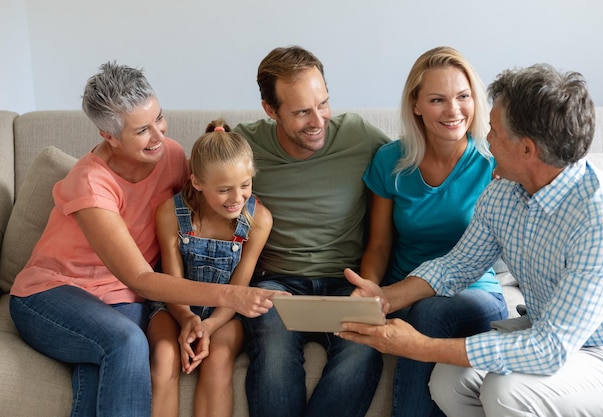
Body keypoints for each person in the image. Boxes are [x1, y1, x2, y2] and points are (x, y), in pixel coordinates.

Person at [339, 63, 603, 417]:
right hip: (544, 331)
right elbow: (456, 265)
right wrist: (385, 297)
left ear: (527, 149)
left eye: (494, 131)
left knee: (507, 391)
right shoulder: (504, 189)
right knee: (448, 382)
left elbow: (550, 349)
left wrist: (422, 346)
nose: (485, 139)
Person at [8, 62, 281, 417]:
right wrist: (231, 294)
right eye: (142, 131)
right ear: (109, 135)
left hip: (121, 300)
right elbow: (140, 278)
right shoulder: (90, 183)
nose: (158, 135)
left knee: (104, 367)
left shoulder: (169, 155)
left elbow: (208, 200)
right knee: (125, 342)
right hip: (52, 293)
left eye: (159, 119)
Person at [233, 46, 390, 417]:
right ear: (270, 111)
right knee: (272, 351)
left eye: (323, 103)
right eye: (302, 111)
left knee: (364, 349)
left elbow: (417, 163)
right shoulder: (245, 146)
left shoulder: (359, 136)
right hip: (276, 283)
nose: (318, 119)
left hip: (345, 280)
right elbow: (197, 181)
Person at [359, 46, 507, 417]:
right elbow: (378, 245)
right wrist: (369, 290)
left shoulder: (493, 164)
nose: (454, 110)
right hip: (400, 290)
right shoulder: (391, 160)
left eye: (463, 96)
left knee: (430, 313)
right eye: (438, 99)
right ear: (416, 105)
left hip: (475, 293)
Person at [148, 119, 272, 417]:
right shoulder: (170, 213)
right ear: (197, 182)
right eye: (224, 190)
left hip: (227, 313)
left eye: (245, 185)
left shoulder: (259, 220)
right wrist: (188, 317)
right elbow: (171, 282)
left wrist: (210, 325)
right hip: (173, 305)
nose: (237, 198)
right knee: (165, 356)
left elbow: (238, 289)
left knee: (218, 359)